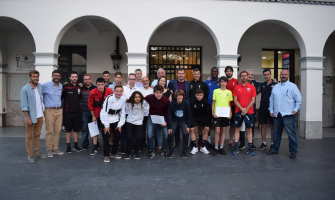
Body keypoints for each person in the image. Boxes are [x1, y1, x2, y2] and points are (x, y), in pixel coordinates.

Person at [267, 69, 301, 159]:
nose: (284, 76)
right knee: (276, 133)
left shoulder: (293, 86)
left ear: (288, 75)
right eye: (282, 74)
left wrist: (296, 109)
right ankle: (275, 149)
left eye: (285, 74)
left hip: (289, 114)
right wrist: (271, 110)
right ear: (279, 75)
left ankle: (293, 151)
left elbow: (299, 99)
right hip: (277, 114)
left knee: (291, 134)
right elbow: (271, 99)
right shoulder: (276, 87)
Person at [20, 70, 47, 162]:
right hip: (31, 116)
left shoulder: (40, 86)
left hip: (40, 116)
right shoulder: (25, 89)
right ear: (30, 77)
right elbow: (24, 106)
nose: (36, 78)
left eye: (37, 76)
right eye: (34, 76)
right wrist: (27, 118)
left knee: (37, 135)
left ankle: (37, 152)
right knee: (29, 136)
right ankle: (30, 155)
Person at [232, 71, 256, 156]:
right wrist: (242, 109)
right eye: (242, 76)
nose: (244, 77)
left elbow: (253, 100)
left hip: (249, 112)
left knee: (249, 130)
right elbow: (235, 100)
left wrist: (246, 109)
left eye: (245, 75)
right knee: (237, 129)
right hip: (238, 111)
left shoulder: (252, 87)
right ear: (240, 77)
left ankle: (249, 149)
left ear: (248, 76)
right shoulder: (236, 87)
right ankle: (236, 148)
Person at [100, 85, 126, 162]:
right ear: (114, 91)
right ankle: (106, 155)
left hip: (115, 118)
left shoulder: (123, 99)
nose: (119, 93)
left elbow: (123, 112)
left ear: (122, 92)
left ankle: (114, 152)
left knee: (118, 134)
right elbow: (104, 112)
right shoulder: (109, 98)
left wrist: (120, 125)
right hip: (106, 118)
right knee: (107, 135)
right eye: (117, 91)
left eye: (120, 91)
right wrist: (106, 125)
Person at [88, 78, 113, 155]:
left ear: (105, 84)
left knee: (108, 130)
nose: (100, 86)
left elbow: (113, 102)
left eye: (102, 84)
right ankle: (95, 146)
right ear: (96, 84)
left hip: (107, 115)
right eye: (99, 85)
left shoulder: (109, 91)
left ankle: (109, 145)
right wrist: (93, 116)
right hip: (96, 114)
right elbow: (90, 104)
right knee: (94, 130)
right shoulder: (92, 92)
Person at [42, 70, 64, 158]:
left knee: (58, 130)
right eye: (55, 75)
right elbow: (40, 96)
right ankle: (49, 149)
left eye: (58, 75)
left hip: (59, 110)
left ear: (60, 77)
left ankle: (55, 148)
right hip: (49, 111)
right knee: (49, 131)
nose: (57, 77)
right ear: (52, 76)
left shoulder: (61, 86)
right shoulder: (45, 85)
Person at [168, 68, 191, 150]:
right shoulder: (172, 82)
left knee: (185, 128)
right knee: (176, 128)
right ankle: (177, 144)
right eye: (179, 73)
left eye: (182, 73)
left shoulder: (188, 83)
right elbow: (169, 93)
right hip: (175, 106)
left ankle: (186, 146)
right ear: (177, 74)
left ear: (184, 74)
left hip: (185, 106)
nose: (181, 75)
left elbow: (190, 94)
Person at [145, 85, 170, 159]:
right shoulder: (149, 97)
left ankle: (164, 149)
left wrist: (165, 121)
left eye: (160, 93)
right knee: (149, 134)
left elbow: (167, 112)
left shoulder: (166, 100)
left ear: (162, 93)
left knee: (165, 134)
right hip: (151, 117)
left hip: (162, 117)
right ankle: (151, 150)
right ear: (154, 93)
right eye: (156, 93)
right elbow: (142, 98)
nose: (158, 94)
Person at [62, 71, 83, 154]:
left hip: (77, 112)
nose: (74, 78)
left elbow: (80, 98)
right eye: (73, 77)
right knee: (68, 130)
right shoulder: (65, 87)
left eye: (76, 77)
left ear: (77, 78)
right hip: (67, 112)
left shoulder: (79, 87)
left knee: (76, 130)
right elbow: (61, 97)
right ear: (70, 78)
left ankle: (76, 145)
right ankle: (68, 147)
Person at [167, 89, 192, 159]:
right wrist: (169, 127)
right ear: (176, 96)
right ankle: (171, 152)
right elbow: (169, 115)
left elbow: (188, 115)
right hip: (174, 121)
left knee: (185, 134)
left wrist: (188, 126)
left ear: (183, 96)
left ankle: (184, 152)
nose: (180, 97)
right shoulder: (171, 103)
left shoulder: (186, 103)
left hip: (183, 121)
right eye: (178, 96)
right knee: (171, 134)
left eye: (181, 95)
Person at [211, 76, 232, 156]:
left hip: (225, 114)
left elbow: (229, 104)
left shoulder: (229, 92)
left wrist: (230, 113)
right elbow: (213, 102)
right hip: (217, 114)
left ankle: (221, 147)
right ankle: (216, 147)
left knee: (223, 130)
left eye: (224, 82)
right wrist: (213, 112)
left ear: (227, 83)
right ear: (220, 83)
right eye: (222, 81)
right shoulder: (216, 91)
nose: (223, 83)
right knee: (217, 131)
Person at [257, 69, 277, 151]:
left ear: (271, 74)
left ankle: (272, 144)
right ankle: (264, 143)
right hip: (263, 108)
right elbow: (255, 93)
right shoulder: (262, 85)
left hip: (272, 109)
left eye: (268, 74)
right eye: (265, 74)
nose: (266, 76)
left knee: (272, 126)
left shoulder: (276, 84)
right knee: (263, 126)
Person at [189, 68, 209, 149]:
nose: (196, 75)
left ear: (200, 75)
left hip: (201, 109)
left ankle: (200, 140)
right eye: (195, 74)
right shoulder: (189, 83)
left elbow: (206, 95)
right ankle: (193, 143)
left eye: (198, 74)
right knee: (192, 127)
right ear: (193, 74)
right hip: (193, 108)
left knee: (202, 126)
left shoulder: (203, 84)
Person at [125, 91, 148, 160]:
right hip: (130, 121)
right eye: (135, 97)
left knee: (139, 137)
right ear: (133, 98)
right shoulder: (129, 103)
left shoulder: (143, 103)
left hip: (139, 122)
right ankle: (128, 153)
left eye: (139, 97)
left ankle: (136, 152)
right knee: (129, 137)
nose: (137, 98)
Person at [120, 73, 139, 154]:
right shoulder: (123, 88)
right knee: (124, 131)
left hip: (133, 114)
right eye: (130, 79)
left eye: (133, 79)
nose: (132, 81)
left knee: (133, 131)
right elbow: (120, 99)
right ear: (128, 80)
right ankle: (123, 147)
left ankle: (132, 146)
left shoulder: (138, 89)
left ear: (135, 80)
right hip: (124, 113)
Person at [189, 89, 211, 155]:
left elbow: (208, 114)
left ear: (203, 95)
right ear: (195, 95)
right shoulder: (192, 101)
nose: (199, 96)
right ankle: (195, 147)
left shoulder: (205, 102)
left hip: (203, 117)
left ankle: (203, 146)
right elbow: (191, 113)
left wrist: (206, 124)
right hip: (194, 117)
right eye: (198, 95)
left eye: (200, 95)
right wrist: (191, 124)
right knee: (192, 129)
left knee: (207, 129)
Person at [154, 76, 173, 152]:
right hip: (157, 114)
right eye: (161, 81)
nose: (162, 82)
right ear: (158, 81)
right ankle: (159, 145)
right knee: (158, 131)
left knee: (165, 132)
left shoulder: (169, 91)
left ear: (165, 82)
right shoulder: (155, 90)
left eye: (164, 81)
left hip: (165, 114)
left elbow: (170, 103)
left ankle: (165, 146)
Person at [80, 74, 97, 150]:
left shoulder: (95, 88)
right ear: (83, 80)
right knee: (85, 128)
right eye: (85, 79)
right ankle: (85, 144)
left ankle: (95, 144)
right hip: (84, 111)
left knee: (94, 128)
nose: (87, 80)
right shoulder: (81, 89)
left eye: (88, 79)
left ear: (91, 80)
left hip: (94, 112)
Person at [205, 67, 220, 147]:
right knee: (208, 123)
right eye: (213, 71)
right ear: (211, 72)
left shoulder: (220, 82)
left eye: (216, 71)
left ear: (218, 72)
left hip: (218, 106)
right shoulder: (207, 81)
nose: (214, 72)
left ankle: (216, 141)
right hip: (208, 105)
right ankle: (208, 140)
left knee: (217, 125)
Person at [224, 66, 239, 150]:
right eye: (227, 71)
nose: (228, 72)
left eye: (230, 71)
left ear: (232, 72)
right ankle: (221, 141)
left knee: (232, 124)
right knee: (223, 124)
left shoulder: (235, 81)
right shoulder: (222, 81)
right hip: (224, 106)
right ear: (225, 72)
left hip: (233, 105)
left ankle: (230, 140)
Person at [138, 76, 153, 150]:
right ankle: (143, 144)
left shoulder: (153, 90)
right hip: (142, 113)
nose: (145, 82)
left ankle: (152, 145)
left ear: (149, 81)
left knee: (151, 130)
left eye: (146, 80)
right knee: (142, 130)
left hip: (151, 113)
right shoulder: (139, 90)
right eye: (143, 81)